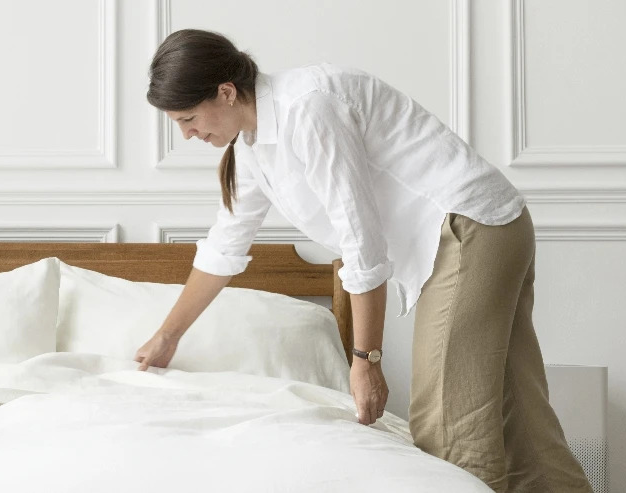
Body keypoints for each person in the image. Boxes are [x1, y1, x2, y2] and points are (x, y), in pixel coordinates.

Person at [133, 29, 591, 493]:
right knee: (521, 420)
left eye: (188, 118)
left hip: (470, 227)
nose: (187, 133)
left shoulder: (307, 108)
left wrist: (366, 359)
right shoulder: (252, 148)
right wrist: (166, 337)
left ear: (226, 93)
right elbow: (224, 247)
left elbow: (361, 242)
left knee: (447, 425)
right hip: (491, 227)